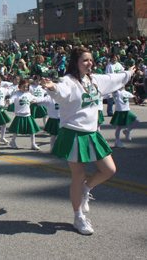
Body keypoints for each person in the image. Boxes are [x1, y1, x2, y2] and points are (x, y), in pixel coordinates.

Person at [42, 47, 135, 235]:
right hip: (73, 133)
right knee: (78, 175)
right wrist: (52, 88)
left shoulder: (95, 79)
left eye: (91, 60)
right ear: (76, 62)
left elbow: (113, 79)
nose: (89, 63)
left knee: (109, 169)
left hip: (92, 133)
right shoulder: (68, 81)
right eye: (85, 60)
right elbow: (61, 92)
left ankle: (86, 190)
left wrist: (129, 72)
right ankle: (78, 218)